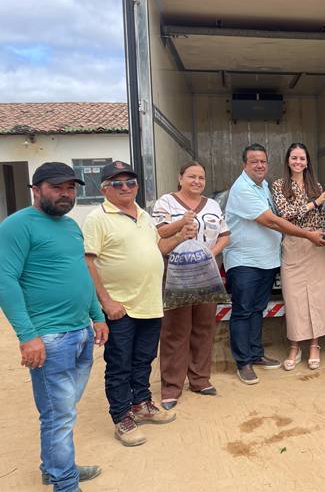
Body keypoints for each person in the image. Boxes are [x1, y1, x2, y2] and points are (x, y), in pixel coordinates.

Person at [0, 162, 107, 492]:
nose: (66, 194)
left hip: (80, 332)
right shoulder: (17, 226)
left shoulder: (71, 226)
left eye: (71, 188)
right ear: (36, 190)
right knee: (59, 414)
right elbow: (5, 280)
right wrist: (27, 336)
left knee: (61, 410)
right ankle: (65, 483)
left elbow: (81, 274)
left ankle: (55, 468)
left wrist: (97, 316)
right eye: (57, 187)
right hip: (50, 337)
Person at [83, 161, 195, 447]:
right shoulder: (97, 218)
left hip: (149, 302)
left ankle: (141, 404)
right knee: (119, 363)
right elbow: (88, 262)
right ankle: (122, 417)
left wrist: (180, 236)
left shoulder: (143, 215)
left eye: (130, 182)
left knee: (144, 359)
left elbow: (158, 248)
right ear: (105, 188)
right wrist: (106, 302)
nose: (125, 187)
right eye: (117, 183)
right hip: (120, 307)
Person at [224, 143, 325, 385]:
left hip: (267, 260)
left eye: (263, 161)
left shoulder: (263, 186)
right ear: (244, 164)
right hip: (245, 261)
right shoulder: (242, 189)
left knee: (257, 309)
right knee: (243, 311)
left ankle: (255, 353)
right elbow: (272, 221)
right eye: (254, 161)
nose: (260, 165)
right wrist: (308, 234)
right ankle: (243, 362)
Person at [151, 161, 230, 410]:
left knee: (204, 326)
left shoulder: (213, 205)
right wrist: (181, 225)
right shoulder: (166, 203)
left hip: (206, 273)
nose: (197, 181)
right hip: (176, 273)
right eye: (191, 176)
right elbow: (160, 233)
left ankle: (200, 379)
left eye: (201, 177)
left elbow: (224, 235)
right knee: (175, 329)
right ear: (180, 178)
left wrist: (210, 254)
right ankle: (171, 387)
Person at [271, 143, 325, 370]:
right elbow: (285, 214)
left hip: (317, 245)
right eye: (294, 158)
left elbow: (323, 216)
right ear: (288, 161)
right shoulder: (278, 185)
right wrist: (315, 202)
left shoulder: (316, 186)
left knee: (318, 295)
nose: (298, 162)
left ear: (307, 162)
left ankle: (315, 345)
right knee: (294, 297)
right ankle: (295, 345)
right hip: (293, 244)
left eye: (302, 158)